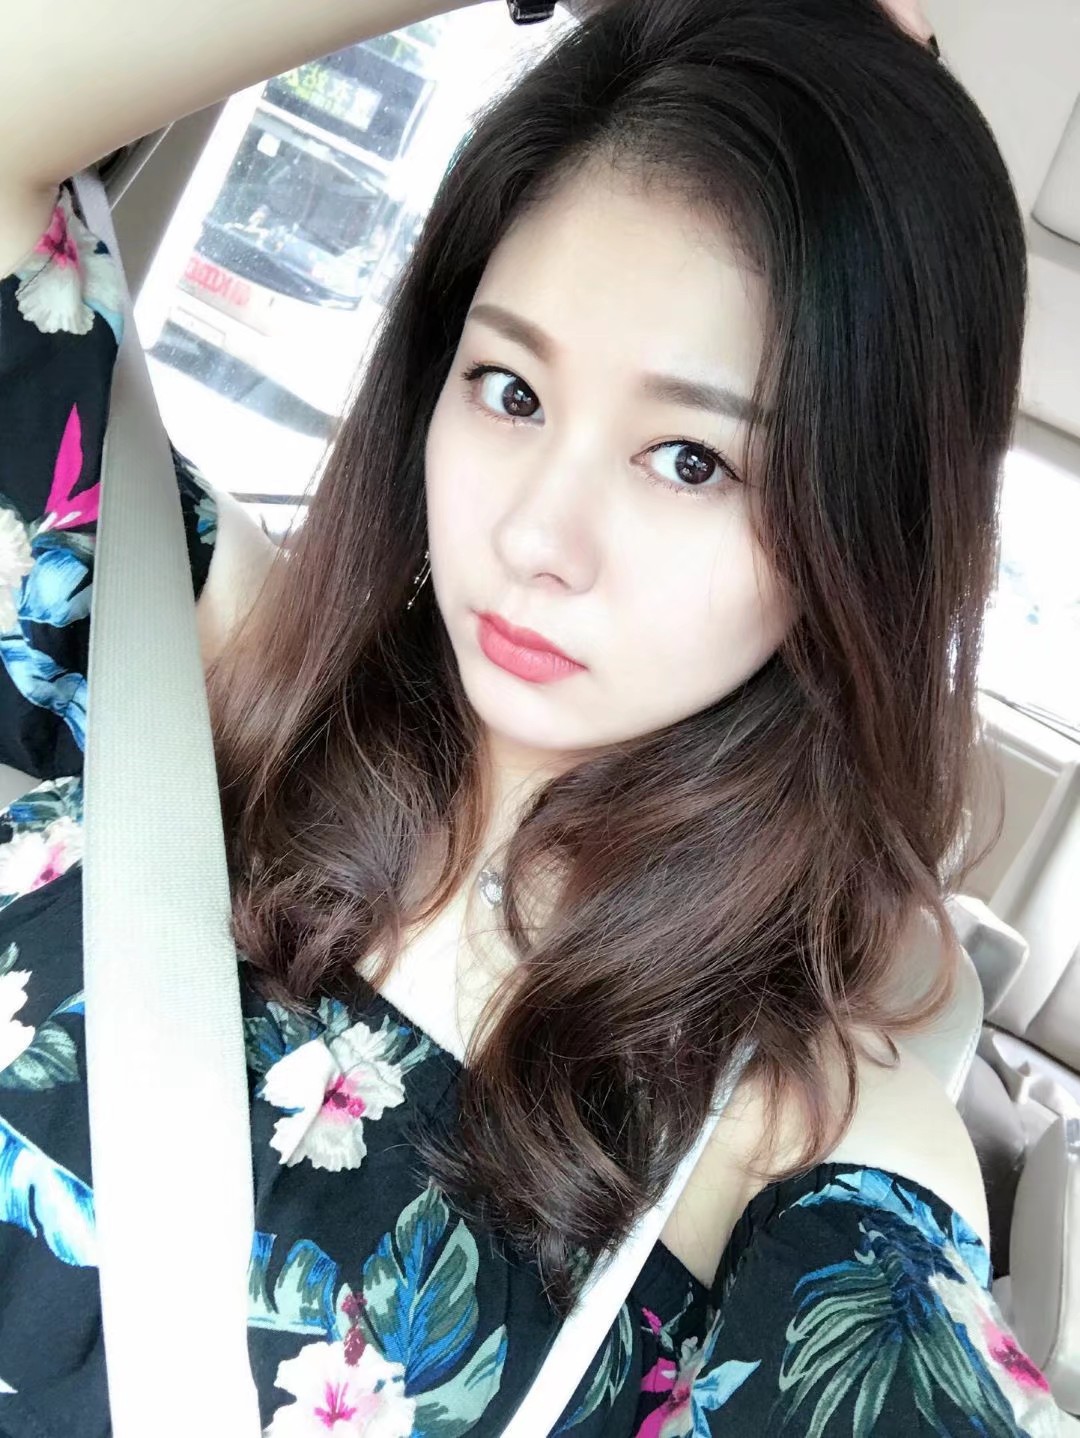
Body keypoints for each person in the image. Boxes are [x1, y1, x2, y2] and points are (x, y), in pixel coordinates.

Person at [0, 0, 1064, 1433]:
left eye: (691, 460)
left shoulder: (806, 1150)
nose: (537, 536)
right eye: (509, 388)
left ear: (859, 539)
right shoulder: (200, 644)